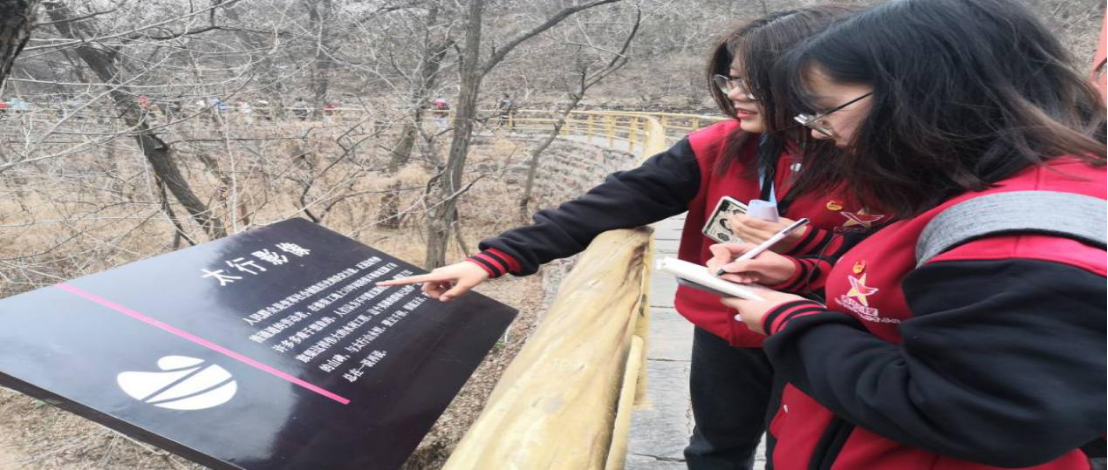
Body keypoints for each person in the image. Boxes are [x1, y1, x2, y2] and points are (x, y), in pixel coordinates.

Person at [382, 7, 872, 469]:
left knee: (799, 452)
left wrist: (808, 246)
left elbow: (900, 261)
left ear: (808, 81)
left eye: (753, 82)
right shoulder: (722, 145)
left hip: (824, 331)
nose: (735, 94)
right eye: (731, 79)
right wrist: (493, 261)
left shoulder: (878, 160)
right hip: (725, 323)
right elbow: (614, 203)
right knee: (716, 445)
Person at [710, 0, 1106, 468]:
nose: (818, 132)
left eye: (825, 110)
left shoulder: (1020, 245)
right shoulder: (981, 185)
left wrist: (791, 322)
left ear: (921, 97)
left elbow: (980, 414)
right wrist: (803, 274)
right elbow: (920, 297)